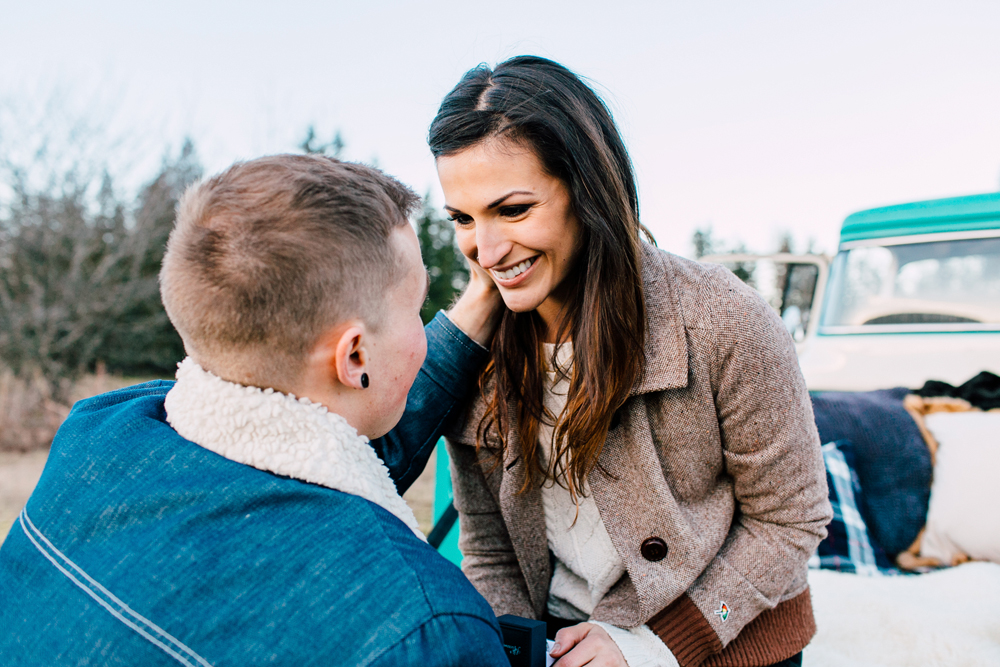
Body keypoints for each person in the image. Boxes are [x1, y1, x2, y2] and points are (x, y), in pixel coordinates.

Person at [0, 155, 511, 666]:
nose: (422, 328)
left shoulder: (97, 435)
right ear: (354, 355)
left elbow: (333, 451)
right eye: (416, 307)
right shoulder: (423, 631)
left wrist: (482, 300)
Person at [430, 56, 833, 667]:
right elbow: (490, 551)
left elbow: (789, 526)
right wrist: (516, 650)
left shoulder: (725, 321)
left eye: (512, 211)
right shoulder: (476, 360)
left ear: (586, 190)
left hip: (728, 634)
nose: (484, 251)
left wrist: (659, 645)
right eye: (463, 218)